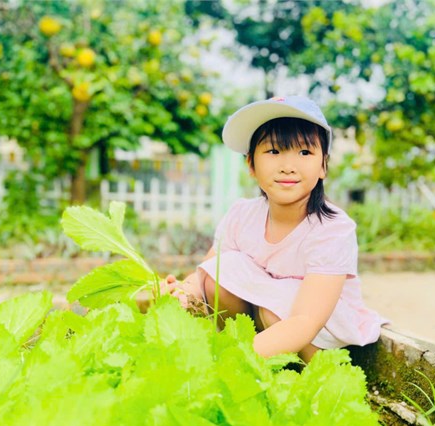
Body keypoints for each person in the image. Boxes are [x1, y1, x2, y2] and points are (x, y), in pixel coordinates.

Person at [165, 96, 387, 362]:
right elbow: (206, 271)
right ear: (251, 164)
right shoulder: (241, 215)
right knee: (217, 276)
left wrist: (226, 361)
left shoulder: (332, 229)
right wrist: (182, 292)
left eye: (304, 153)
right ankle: (251, 350)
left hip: (319, 325)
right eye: (273, 151)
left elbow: (305, 320)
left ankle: (298, 370)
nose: (288, 167)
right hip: (265, 314)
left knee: (275, 313)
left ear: (323, 166)